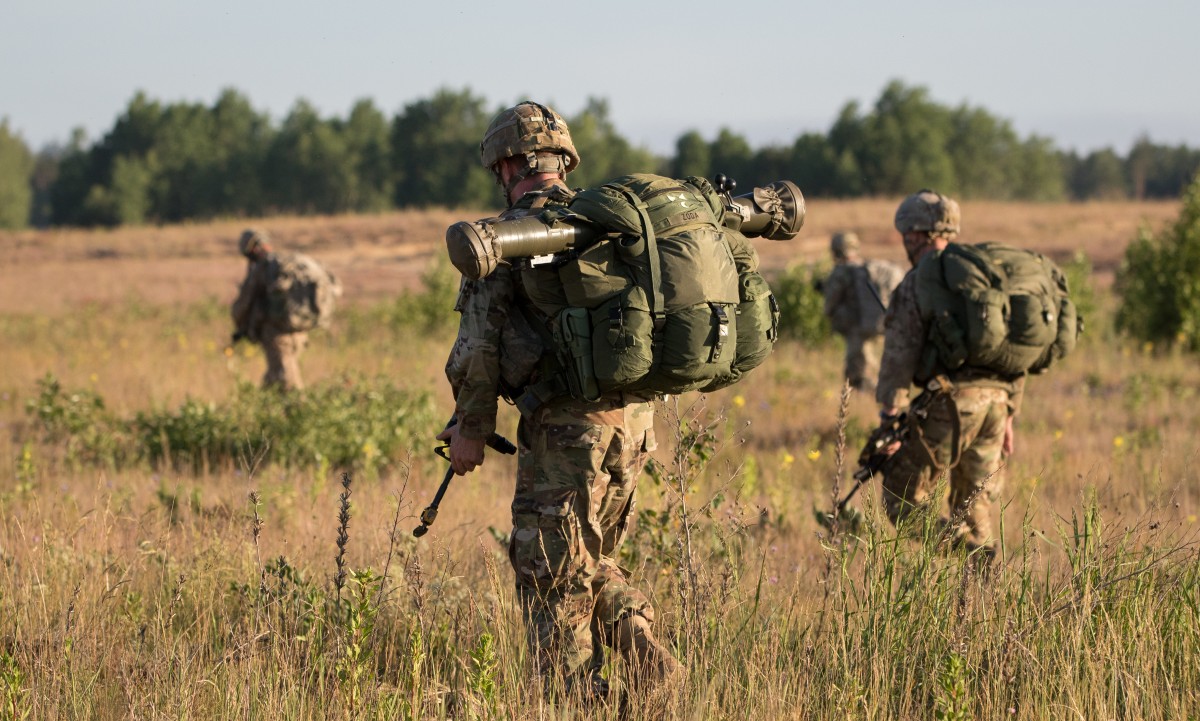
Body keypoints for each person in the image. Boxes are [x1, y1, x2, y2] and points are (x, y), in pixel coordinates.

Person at [438, 101, 683, 701]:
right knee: (590, 558)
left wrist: (469, 429)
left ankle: (573, 702)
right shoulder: (608, 224)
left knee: (551, 577)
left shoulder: (507, 240)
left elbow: (479, 348)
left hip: (568, 434)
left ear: (508, 165)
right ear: (563, 160)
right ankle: (645, 652)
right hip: (636, 423)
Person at [875, 190, 1023, 562]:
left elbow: (899, 357)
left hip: (954, 405)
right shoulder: (982, 276)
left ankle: (970, 555)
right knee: (973, 504)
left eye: (906, 235)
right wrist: (1009, 413)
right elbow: (1014, 347)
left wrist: (890, 423)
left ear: (913, 234)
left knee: (900, 498)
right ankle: (981, 590)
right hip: (997, 405)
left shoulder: (919, 281)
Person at [230, 228, 339, 391]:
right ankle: (266, 410)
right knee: (274, 377)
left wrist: (240, 324)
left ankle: (299, 412)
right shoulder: (286, 264)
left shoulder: (264, 267)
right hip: (299, 333)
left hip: (277, 335)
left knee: (287, 379)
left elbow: (244, 303)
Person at [821, 231, 904, 392]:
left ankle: (875, 396)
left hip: (856, 329)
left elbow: (830, 302)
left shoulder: (842, 272)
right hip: (875, 324)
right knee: (867, 362)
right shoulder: (865, 268)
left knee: (856, 370)